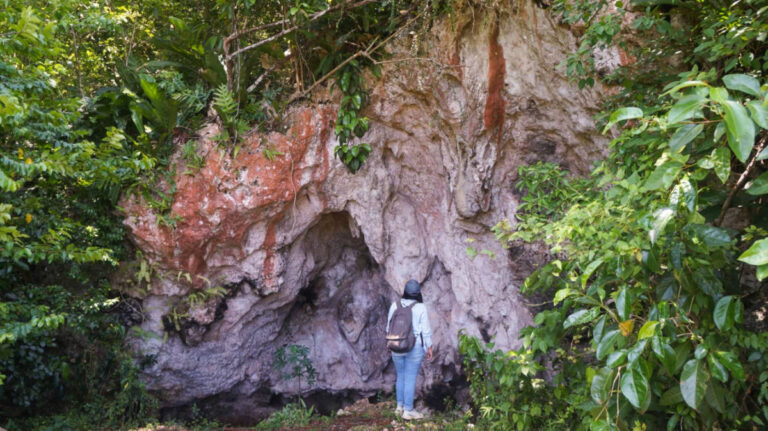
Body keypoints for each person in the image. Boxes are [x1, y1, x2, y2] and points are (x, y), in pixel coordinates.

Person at [386, 279, 433, 420]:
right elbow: (425, 331)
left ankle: (399, 407)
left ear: (405, 292)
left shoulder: (395, 305)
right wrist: (429, 347)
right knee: (410, 377)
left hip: (396, 345)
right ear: (418, 293)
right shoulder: (420, 307)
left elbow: (388, 327)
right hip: (415, 347)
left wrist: (391, 343)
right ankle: (408, 410)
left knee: (400, 375)